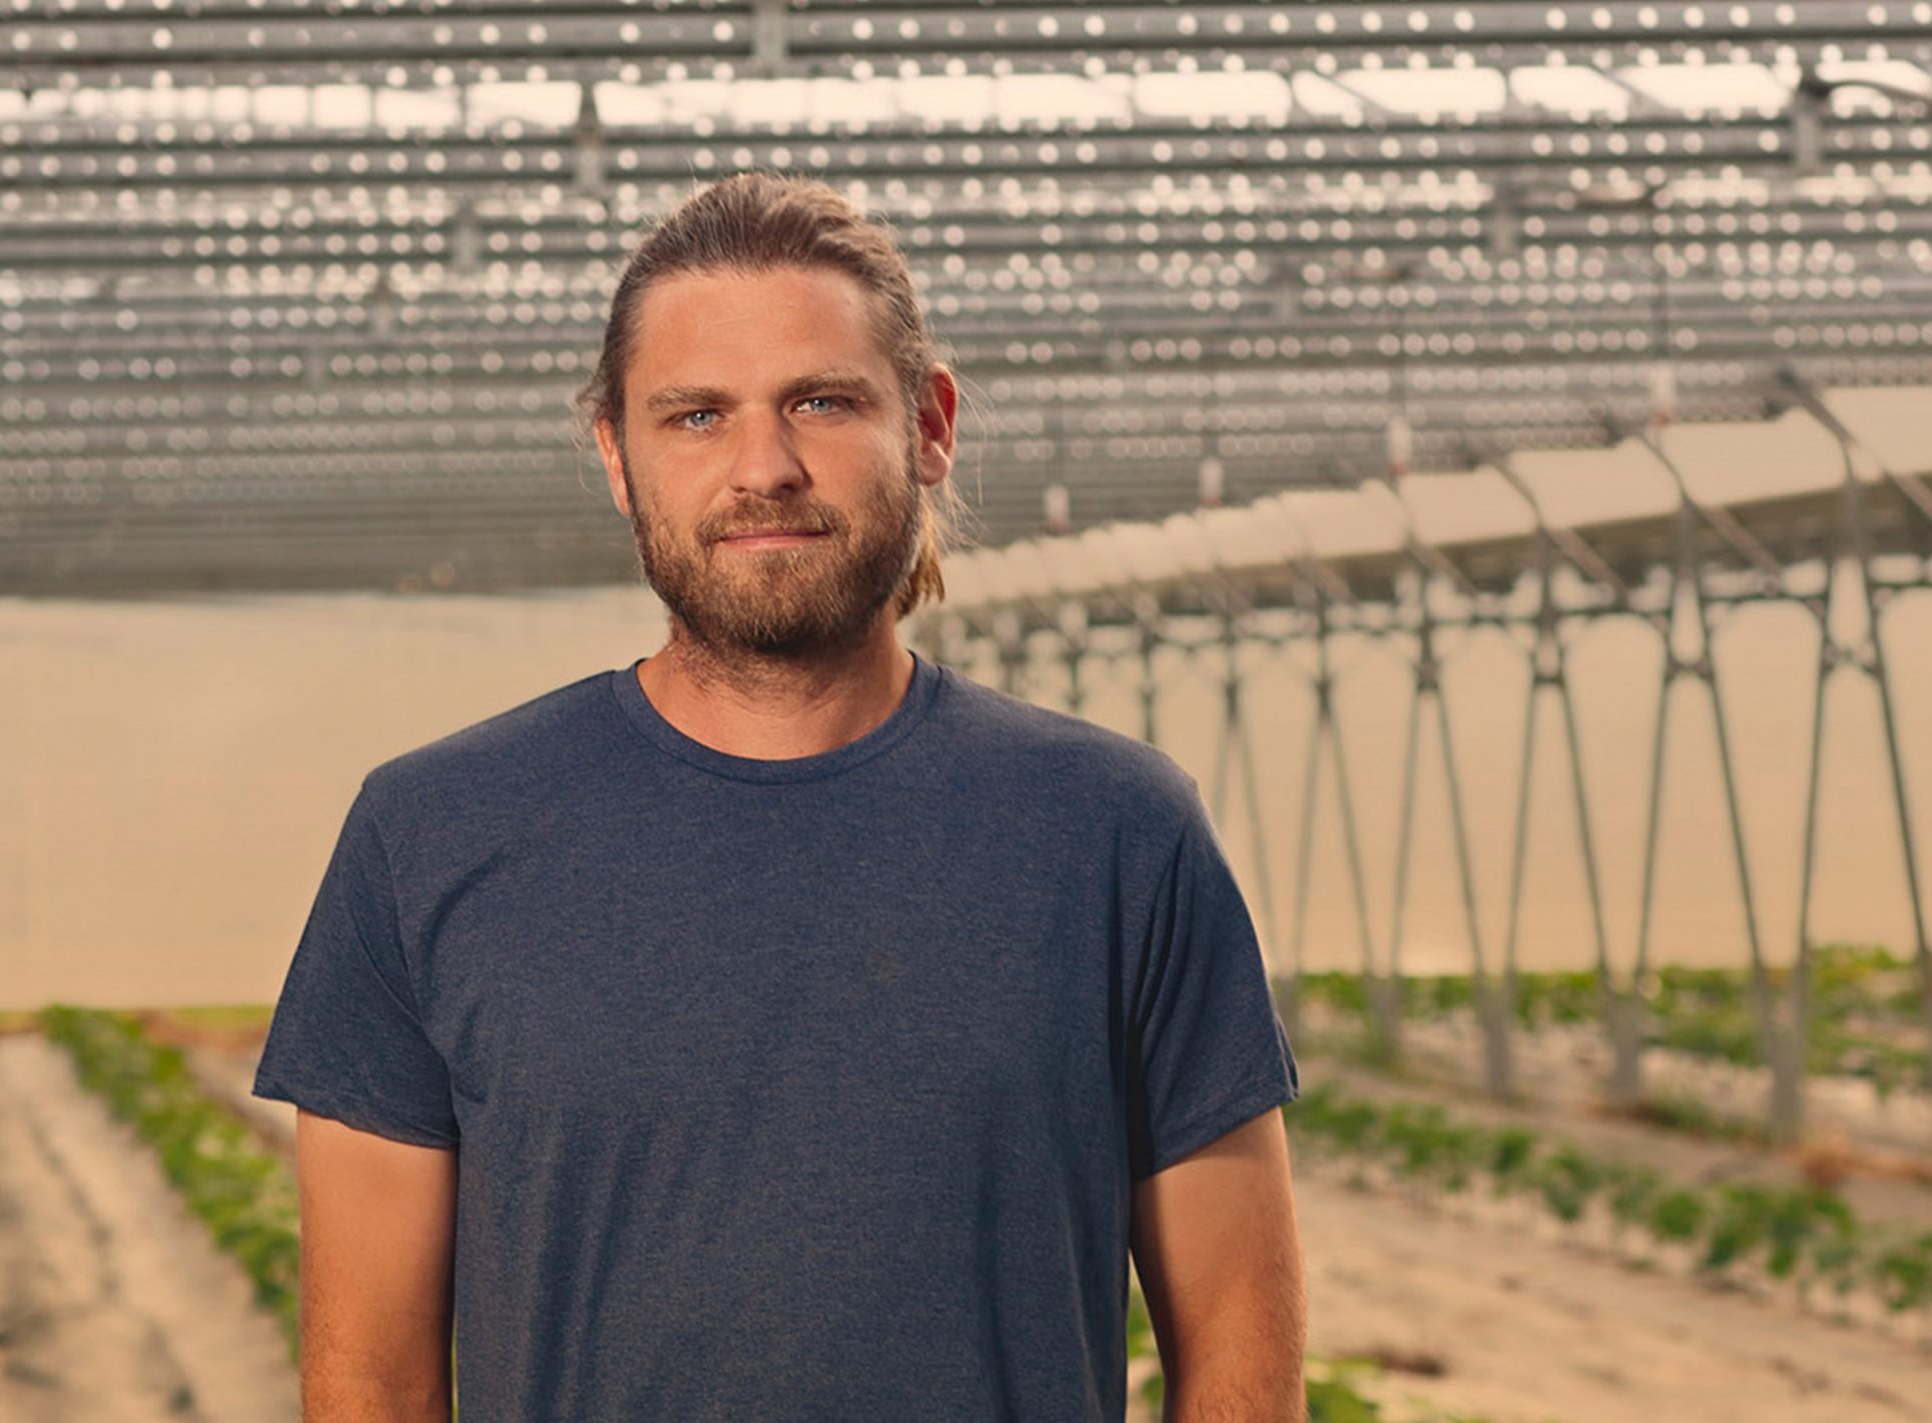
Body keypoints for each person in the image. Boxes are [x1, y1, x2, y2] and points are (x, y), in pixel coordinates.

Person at [252, 169, 1305, 1422]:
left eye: (820, 401)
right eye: (694, 415)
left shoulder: (1117, 831)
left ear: (929, 426)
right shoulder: (430, 837)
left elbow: (1241, 1355)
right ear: (616, 458)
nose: (763, 467)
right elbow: (368, 1380)